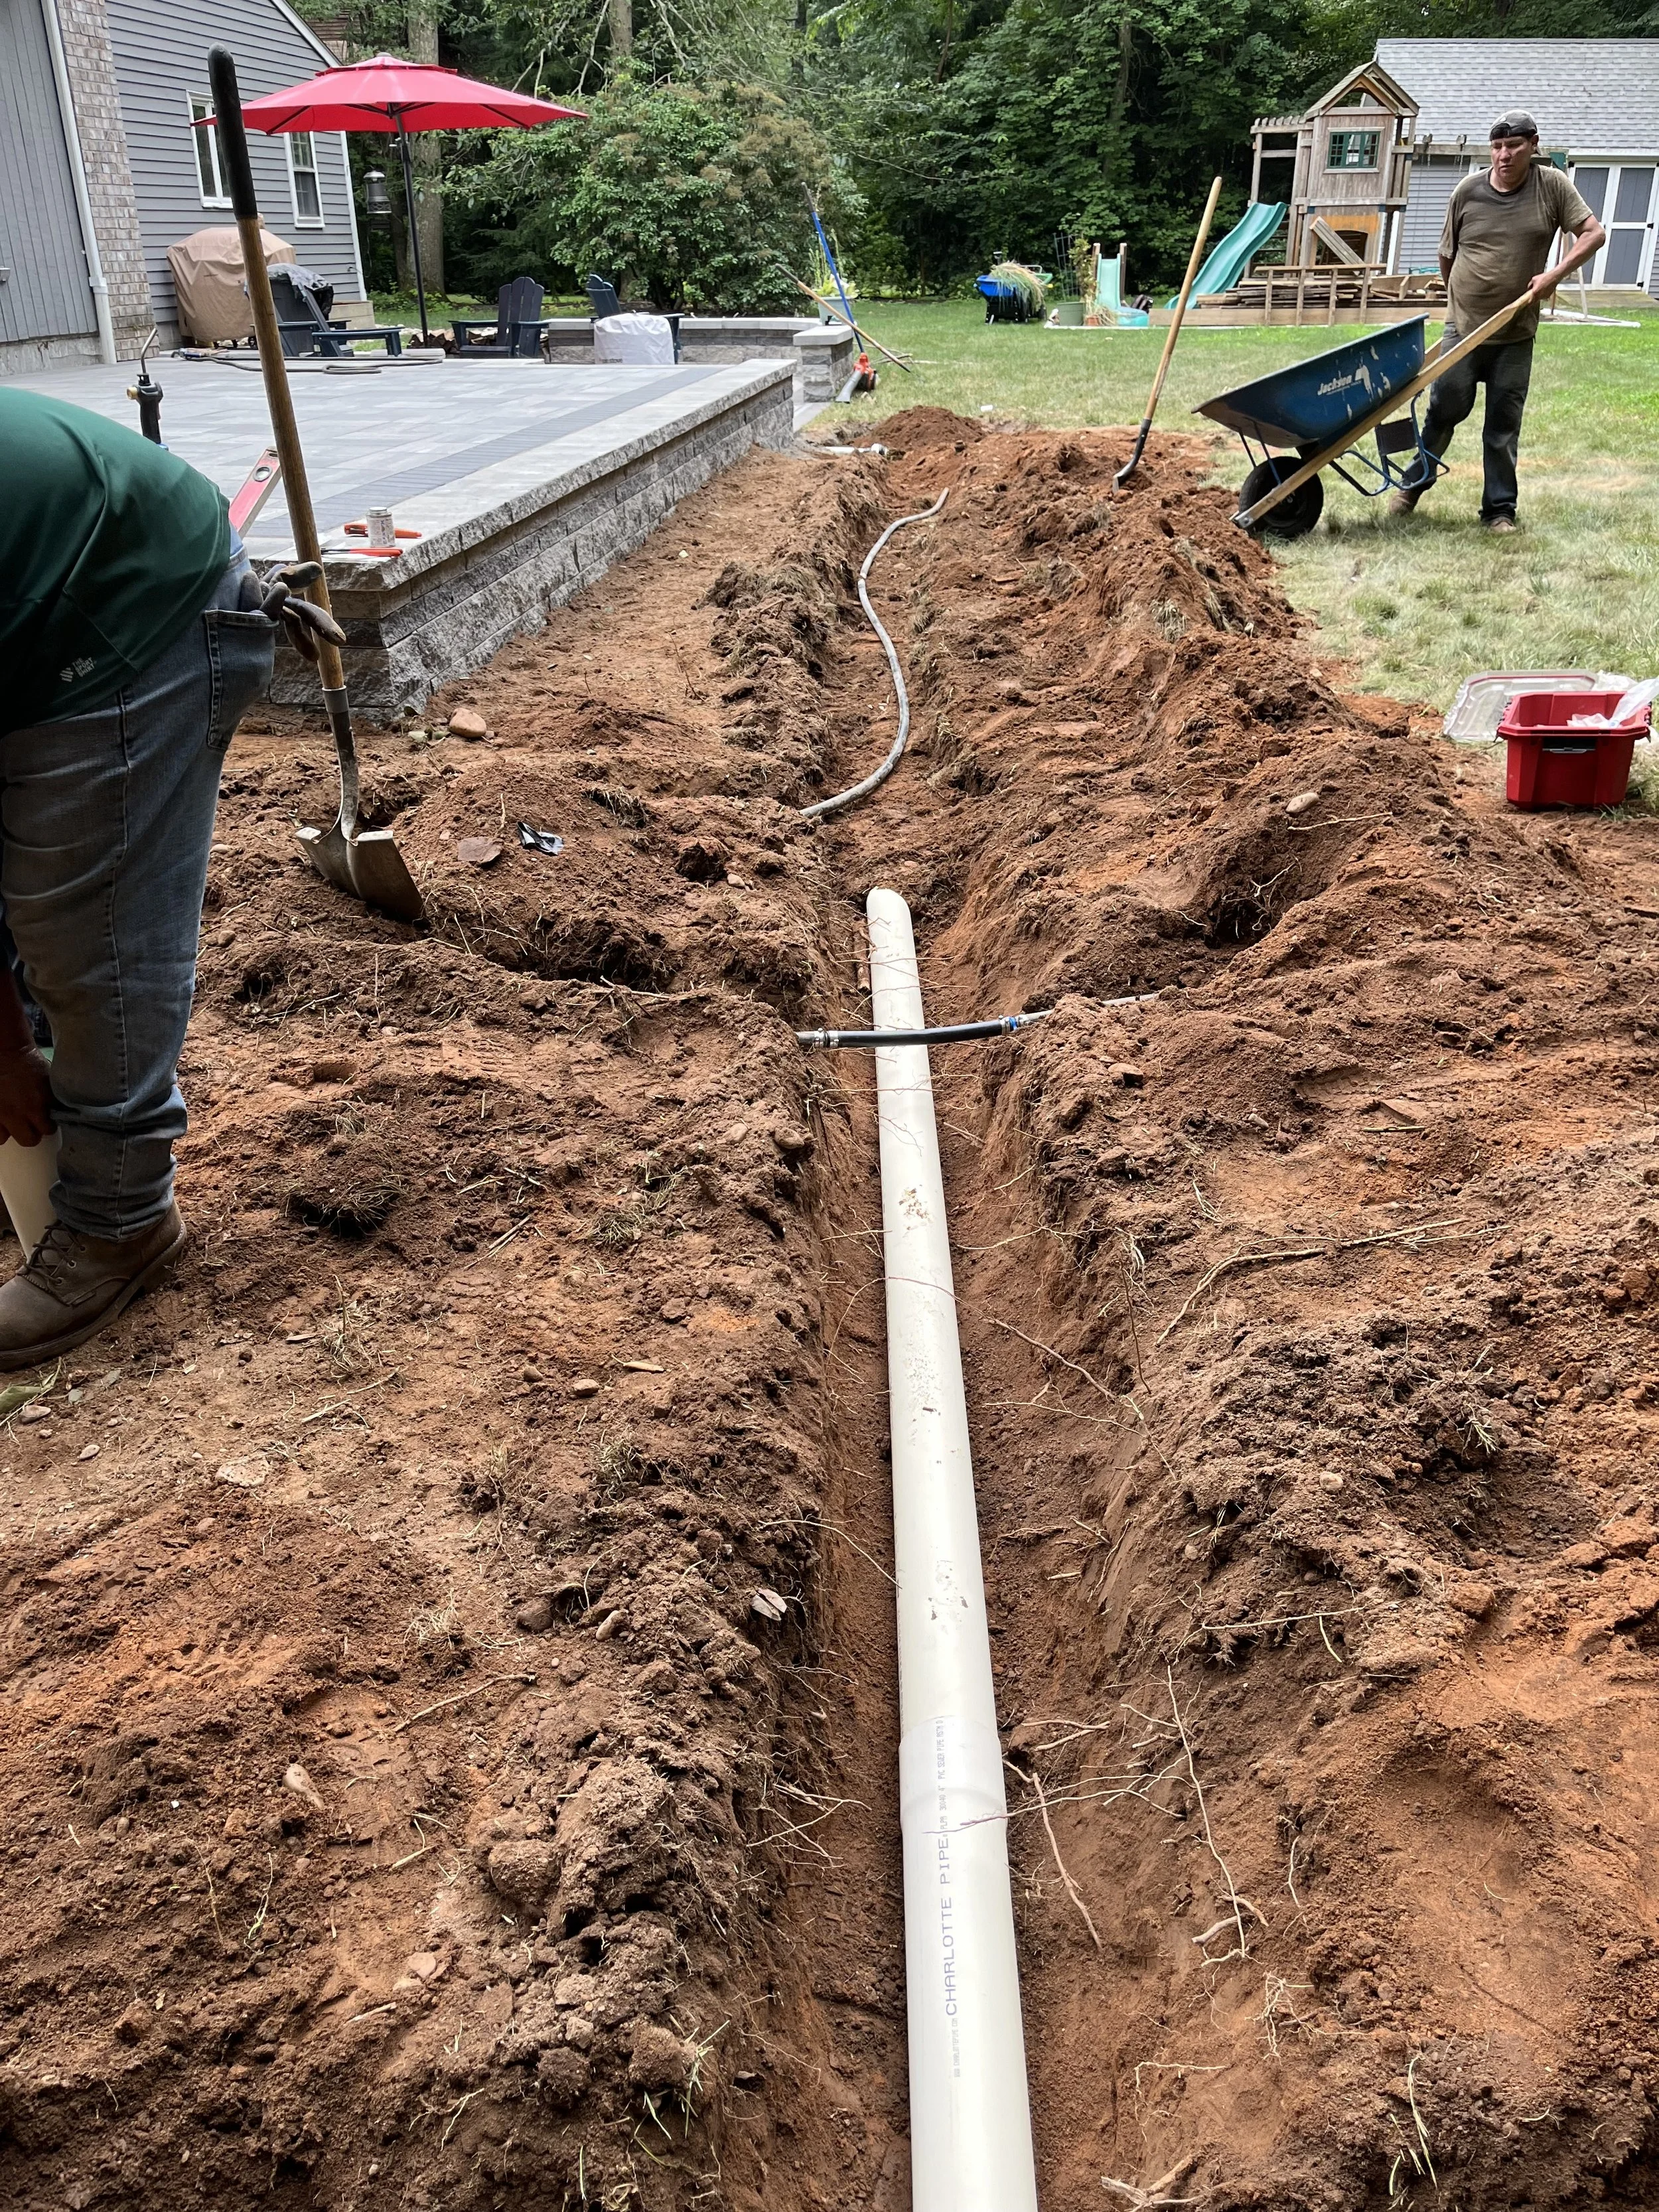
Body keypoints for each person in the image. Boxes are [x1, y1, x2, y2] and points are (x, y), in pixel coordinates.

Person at [0, 389, 335, 1370]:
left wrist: (5, 1045)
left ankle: (116, 1222)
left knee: (89, 938)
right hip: (46, 592)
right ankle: (48, 1158)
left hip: (125, 612)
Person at [1390, 112, 1604, 532]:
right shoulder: (1467, 191)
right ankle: (1412, 486)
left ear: (1534, 145)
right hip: (1464, 329)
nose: (1504, 156)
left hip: (1515, 333)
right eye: (1497, 148)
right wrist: (1460, 303)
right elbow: (1447, 254)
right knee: (1445, 407)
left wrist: (1552, 277)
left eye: (1514, 147)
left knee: (1504, 424)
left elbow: (1593, 233)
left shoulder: (1553, 188)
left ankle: (1500, 511)